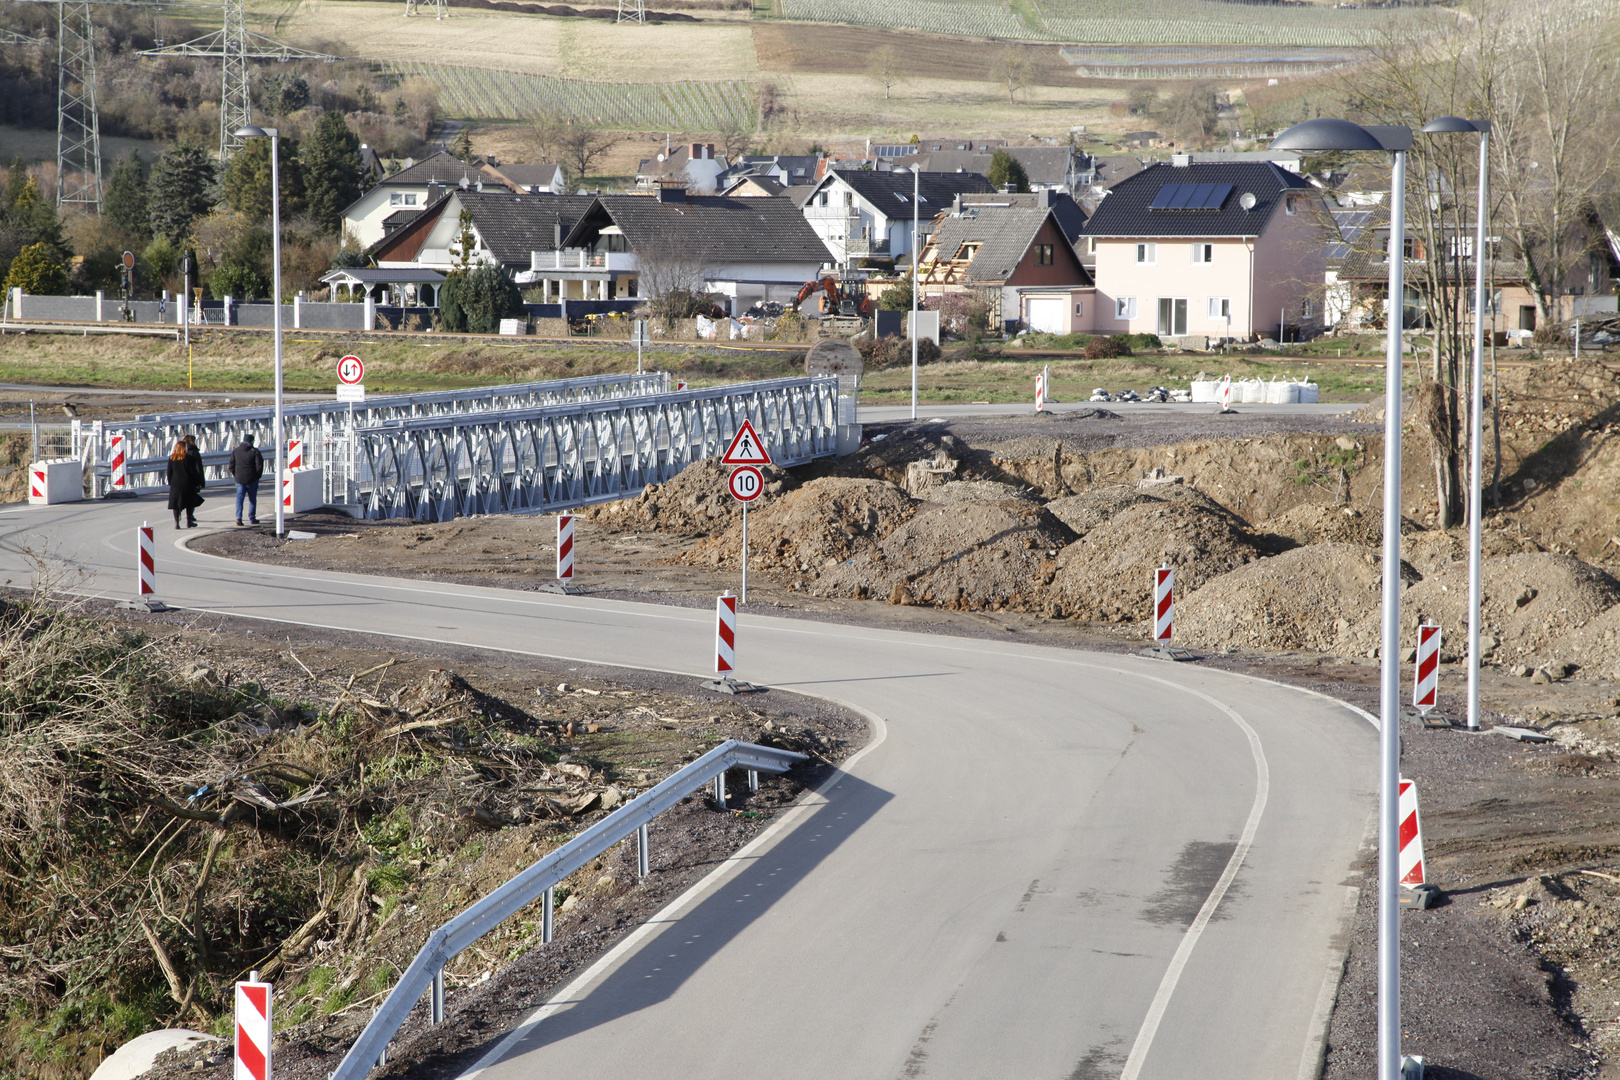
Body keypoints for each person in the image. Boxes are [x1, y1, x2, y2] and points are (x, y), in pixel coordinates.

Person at [166, 439, 205, 528]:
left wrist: (170, 482)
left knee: (176, 504)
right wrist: (197, 482)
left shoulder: (172, 458)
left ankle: (176, 523)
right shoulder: (189, 458)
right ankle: (189, 521)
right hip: (187, 483)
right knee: (189, 503)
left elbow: (169, 472)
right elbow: (193, 472)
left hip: (176, 484)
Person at [231, 433, 265, 526]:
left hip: (239, 479)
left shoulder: (236, 451)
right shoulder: (255, 451)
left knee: (239, 499)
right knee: (252, 499)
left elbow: (231, 465)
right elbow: (259, 466)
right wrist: (257, 476)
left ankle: (238, 518)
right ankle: (252, 518)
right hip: (251, 479)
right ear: (252, 441)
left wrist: (236, 475)